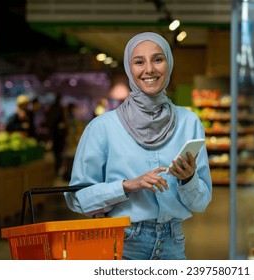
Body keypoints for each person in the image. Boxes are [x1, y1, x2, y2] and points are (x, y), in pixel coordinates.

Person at [64, 32, 212, 260]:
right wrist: (126, 186)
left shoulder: (189, 122)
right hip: (122, 244)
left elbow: (201, 203)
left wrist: (188, 179)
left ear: (169, 64)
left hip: (173, 244)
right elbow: (76, 198)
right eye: (139, 62)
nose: (149, 69)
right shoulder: (103, 127)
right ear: (129, 68)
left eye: (158, 59)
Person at [45, 93, 67, 176]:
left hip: (54, 134)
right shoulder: (60, 109)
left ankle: (55, 170)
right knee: (59, 154)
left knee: (56, 153)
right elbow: (63, 123)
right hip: (59, 135)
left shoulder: (52, 108)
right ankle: (56, 170)